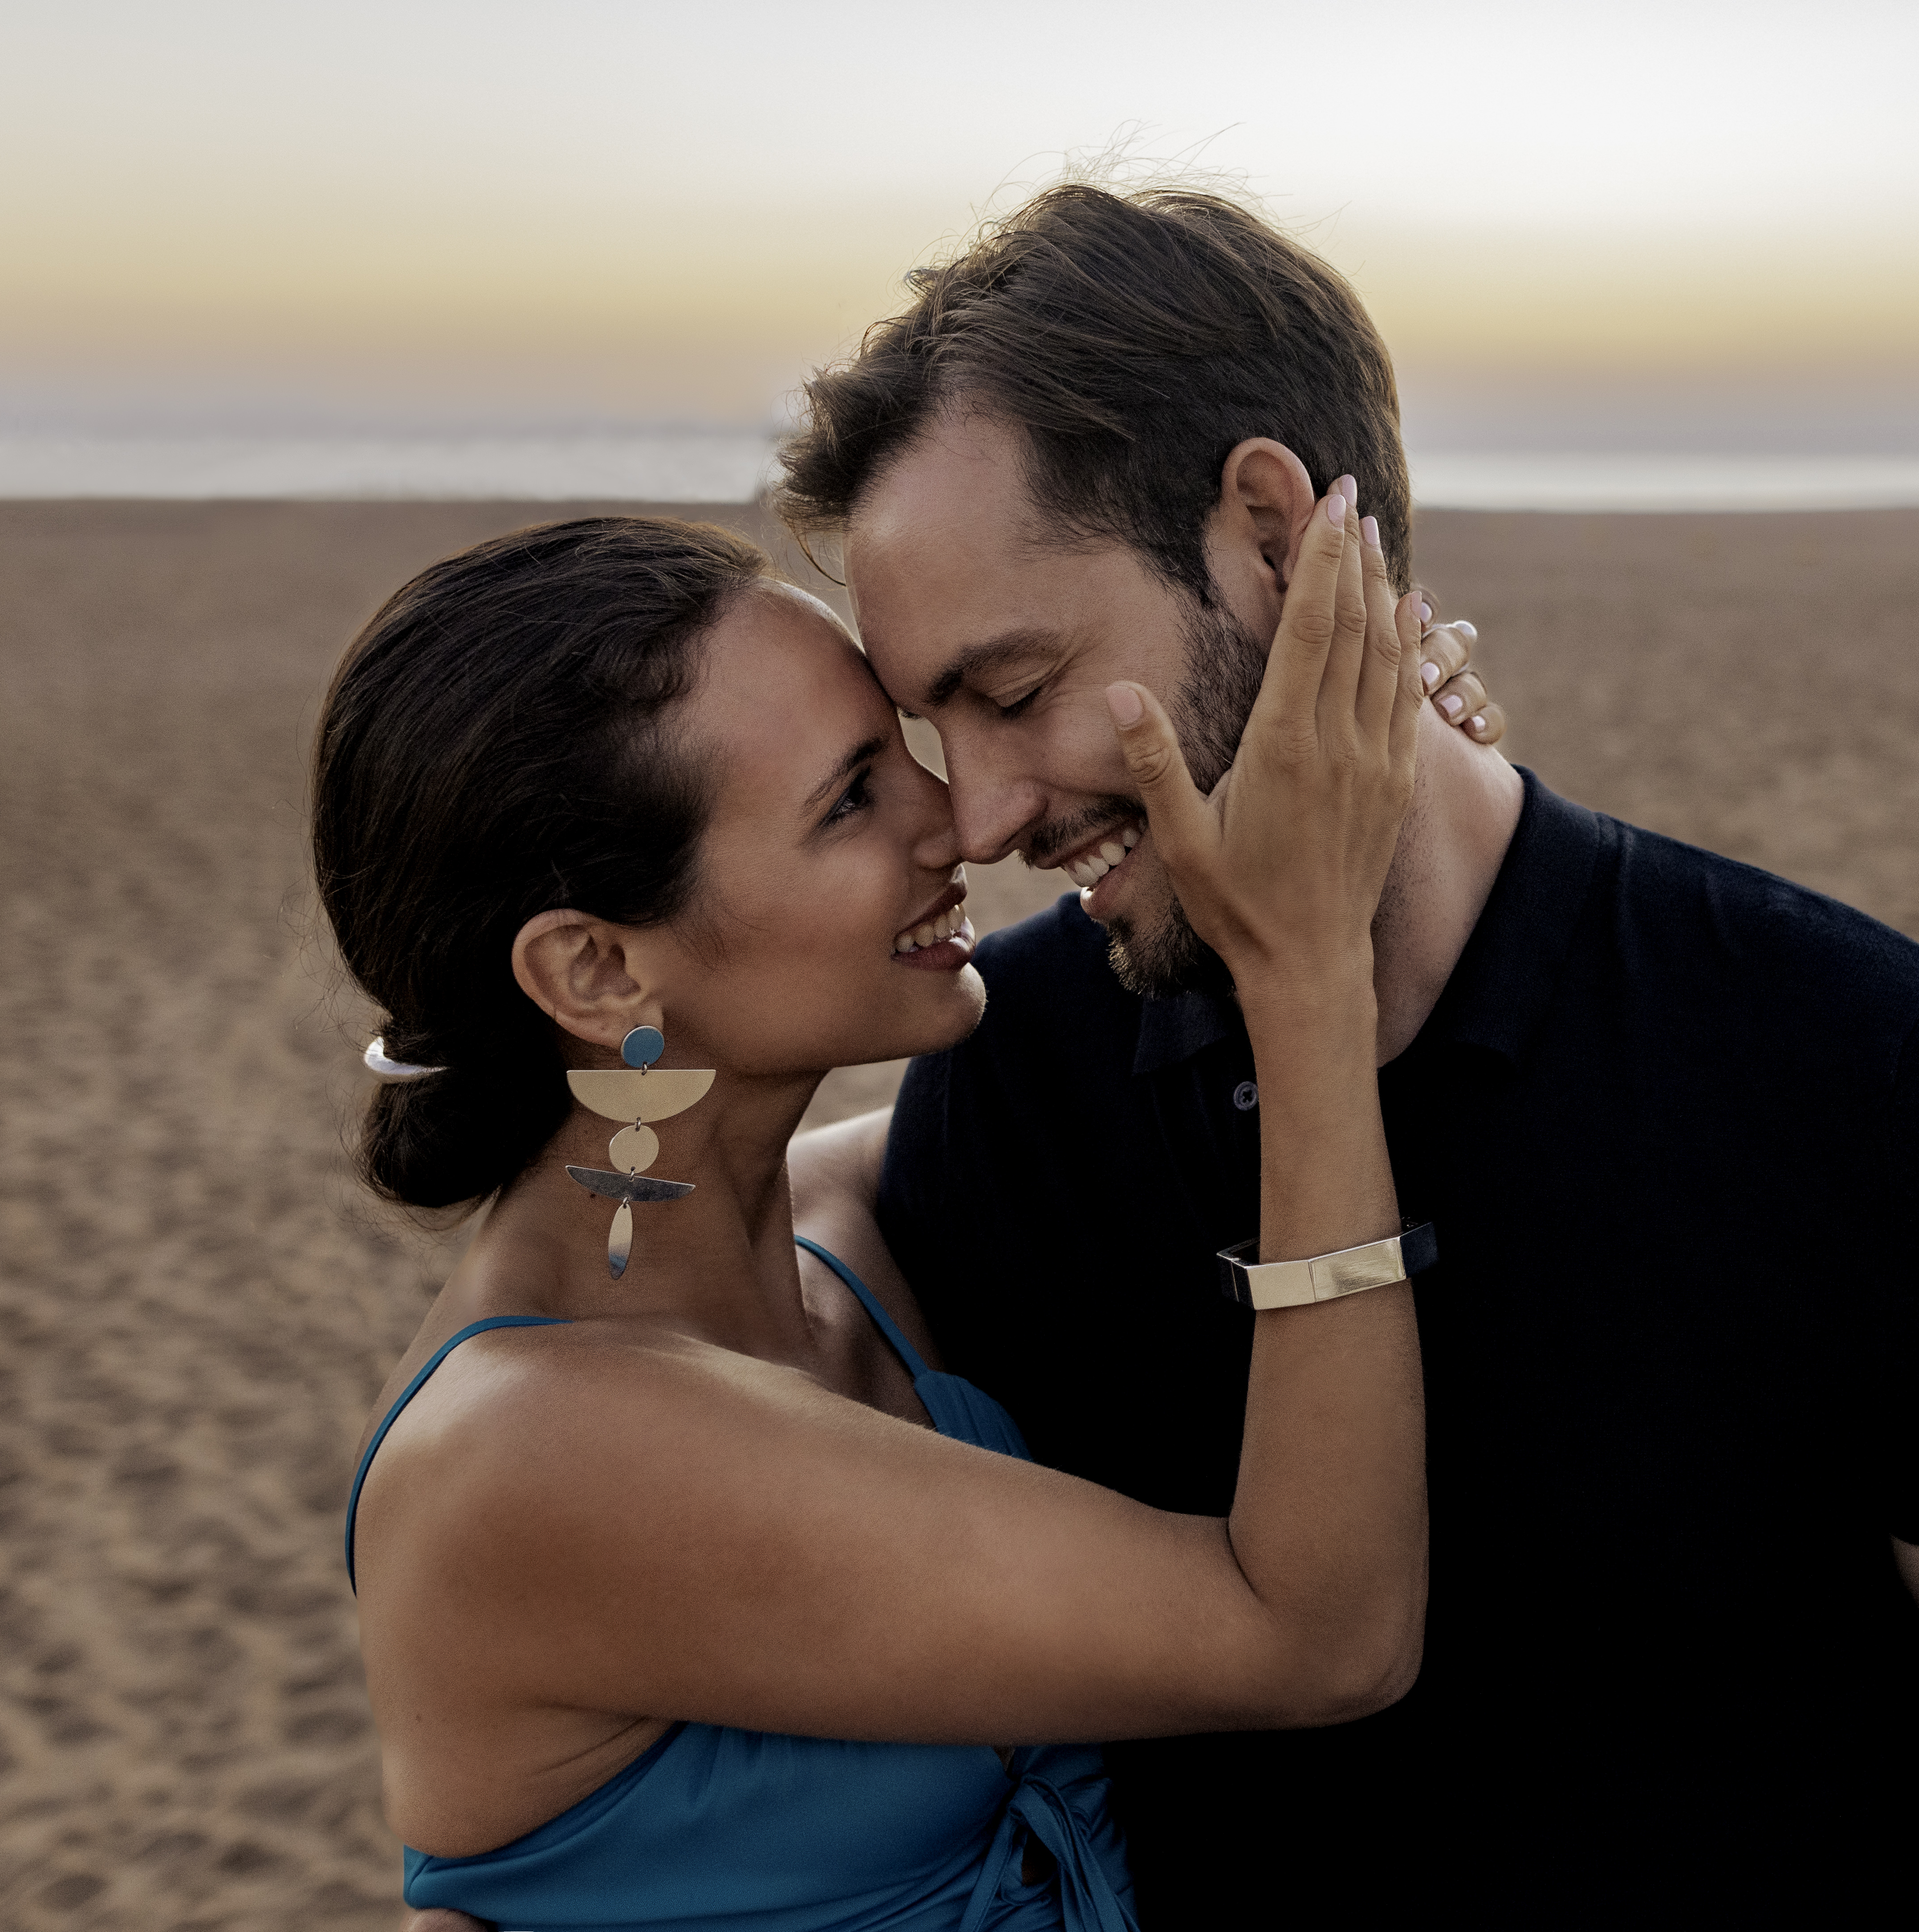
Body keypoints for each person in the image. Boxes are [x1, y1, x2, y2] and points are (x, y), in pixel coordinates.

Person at [772, 185, 1919, 1929]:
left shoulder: (1884, 1090)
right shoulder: (1008, 1102)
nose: (995, 814)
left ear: (1267, 535)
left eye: (1014, 690)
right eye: (935, 732)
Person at [323, 492, 1467, 1931]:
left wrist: (1375, 767)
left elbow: (1103, 999)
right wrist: (1304, 974)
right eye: (852, 796)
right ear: (600, 973)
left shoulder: (844, 1215)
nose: (957, 815)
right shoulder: (531, 1448)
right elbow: (1322, 1637)